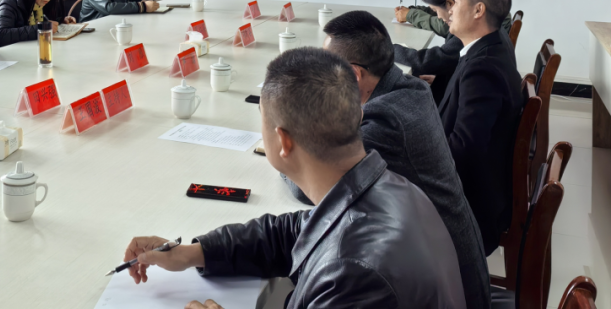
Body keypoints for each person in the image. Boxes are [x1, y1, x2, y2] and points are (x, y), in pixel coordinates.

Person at [121, 47, 466, 309]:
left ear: (283, 141)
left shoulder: (352, 275)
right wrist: (193, 253)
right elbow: (292, 232)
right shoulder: (387, 186)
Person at [294, 10, 491, 309]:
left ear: (354, 74)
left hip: (449, 288)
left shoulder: (384, 120)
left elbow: (312, 186)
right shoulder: (410, 88)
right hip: (446, 258)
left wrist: (293, 134)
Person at [439, 0, 522, 255]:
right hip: (478, 186)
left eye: (456, 2)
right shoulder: (487, 48)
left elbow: (464, 150)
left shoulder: (482, 69)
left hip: (470, 208)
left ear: (478, 10)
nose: (450, 10)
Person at [395, 0, 465, 105]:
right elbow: (451, 62)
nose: (438, 17)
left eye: (436, 10)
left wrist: (389, 49)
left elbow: (432, 59)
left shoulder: (465, 31)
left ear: (450, 4)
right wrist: (440, 80)